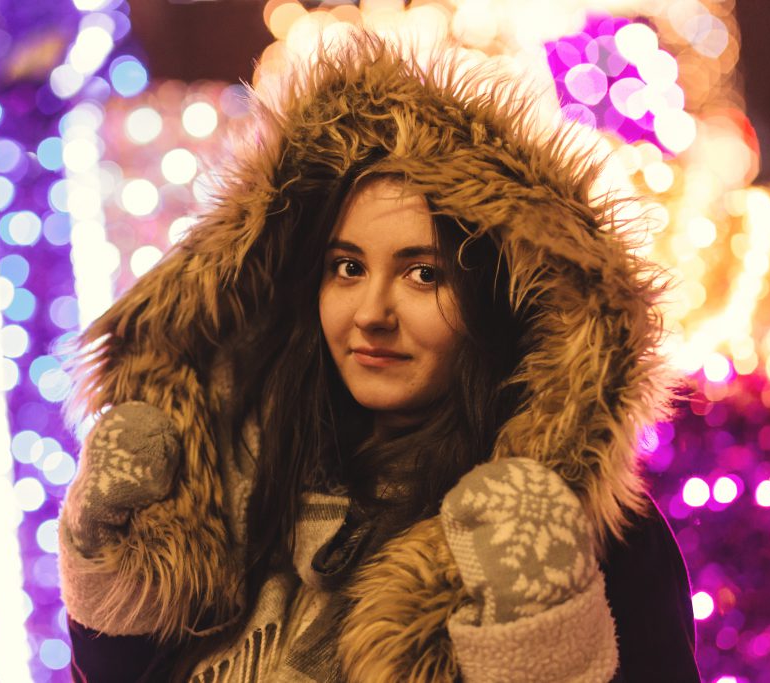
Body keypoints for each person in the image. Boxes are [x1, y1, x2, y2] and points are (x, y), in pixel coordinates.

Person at [57, 33, 700, 682]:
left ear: (498, 296)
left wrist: (542, 647)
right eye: (347, 267)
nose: (371, 312)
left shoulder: (586, 529)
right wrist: (114, 580)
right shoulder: (230, 484)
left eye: (423, 274)